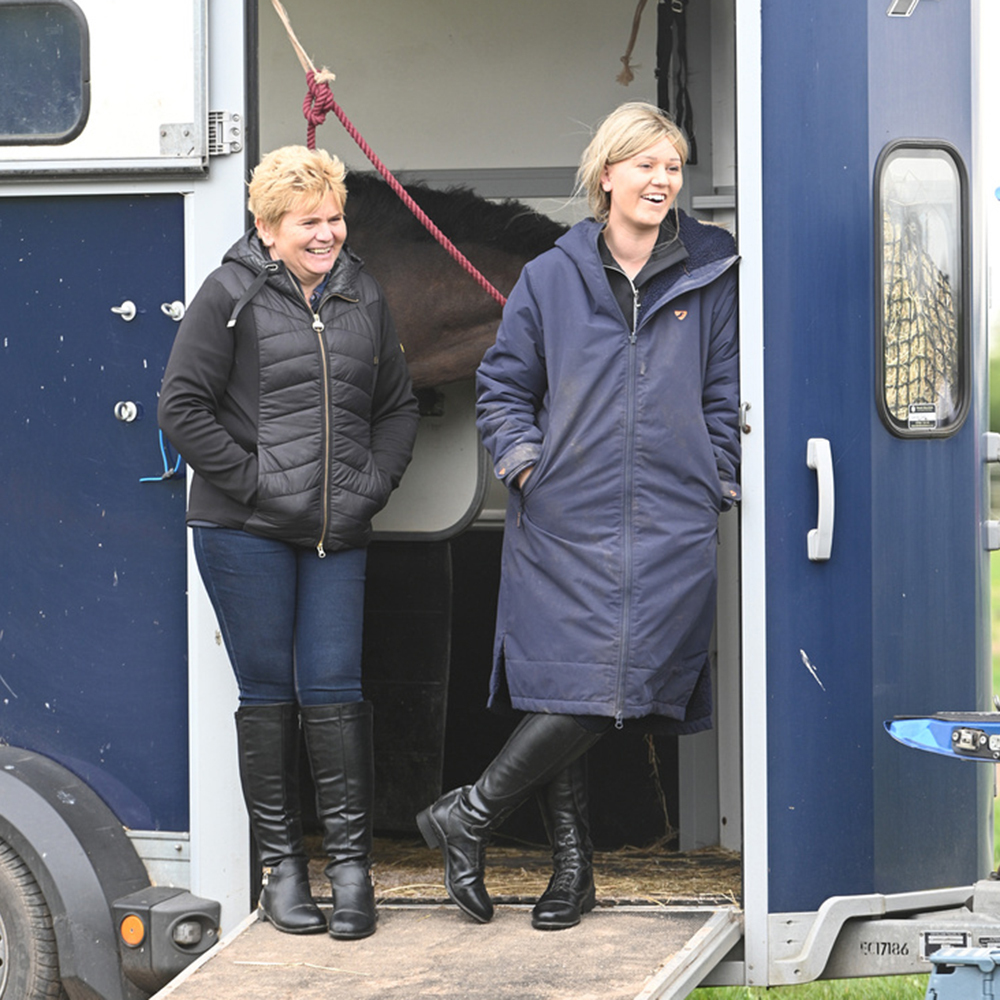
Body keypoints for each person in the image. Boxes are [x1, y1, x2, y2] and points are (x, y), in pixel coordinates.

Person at [416, 102, 739, 931]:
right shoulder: (551, 276)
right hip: (563, 516)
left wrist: (716, 477)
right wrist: (527, 464)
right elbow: (503, 385)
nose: (662, 180)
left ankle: (469, 814)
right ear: (607, 174)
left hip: (671, 520)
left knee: (620, 685)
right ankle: (572, 872)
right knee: (569, 685)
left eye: (673, 167)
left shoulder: (712, 272)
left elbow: (725, 390)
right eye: (646, 166)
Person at [158, 145, 419, 940]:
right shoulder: (229, 293)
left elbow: (398, 406)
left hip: (337, 533)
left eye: (335, 218)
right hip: (244, 532)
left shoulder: (362, 294)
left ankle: (352, 872)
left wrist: (370, 486)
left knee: (336, 692)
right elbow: (181, 406)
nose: (327, 234)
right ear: (268, 228)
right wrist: (259, 484)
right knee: (269, 695)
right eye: (309, 222)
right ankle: (283, 872)